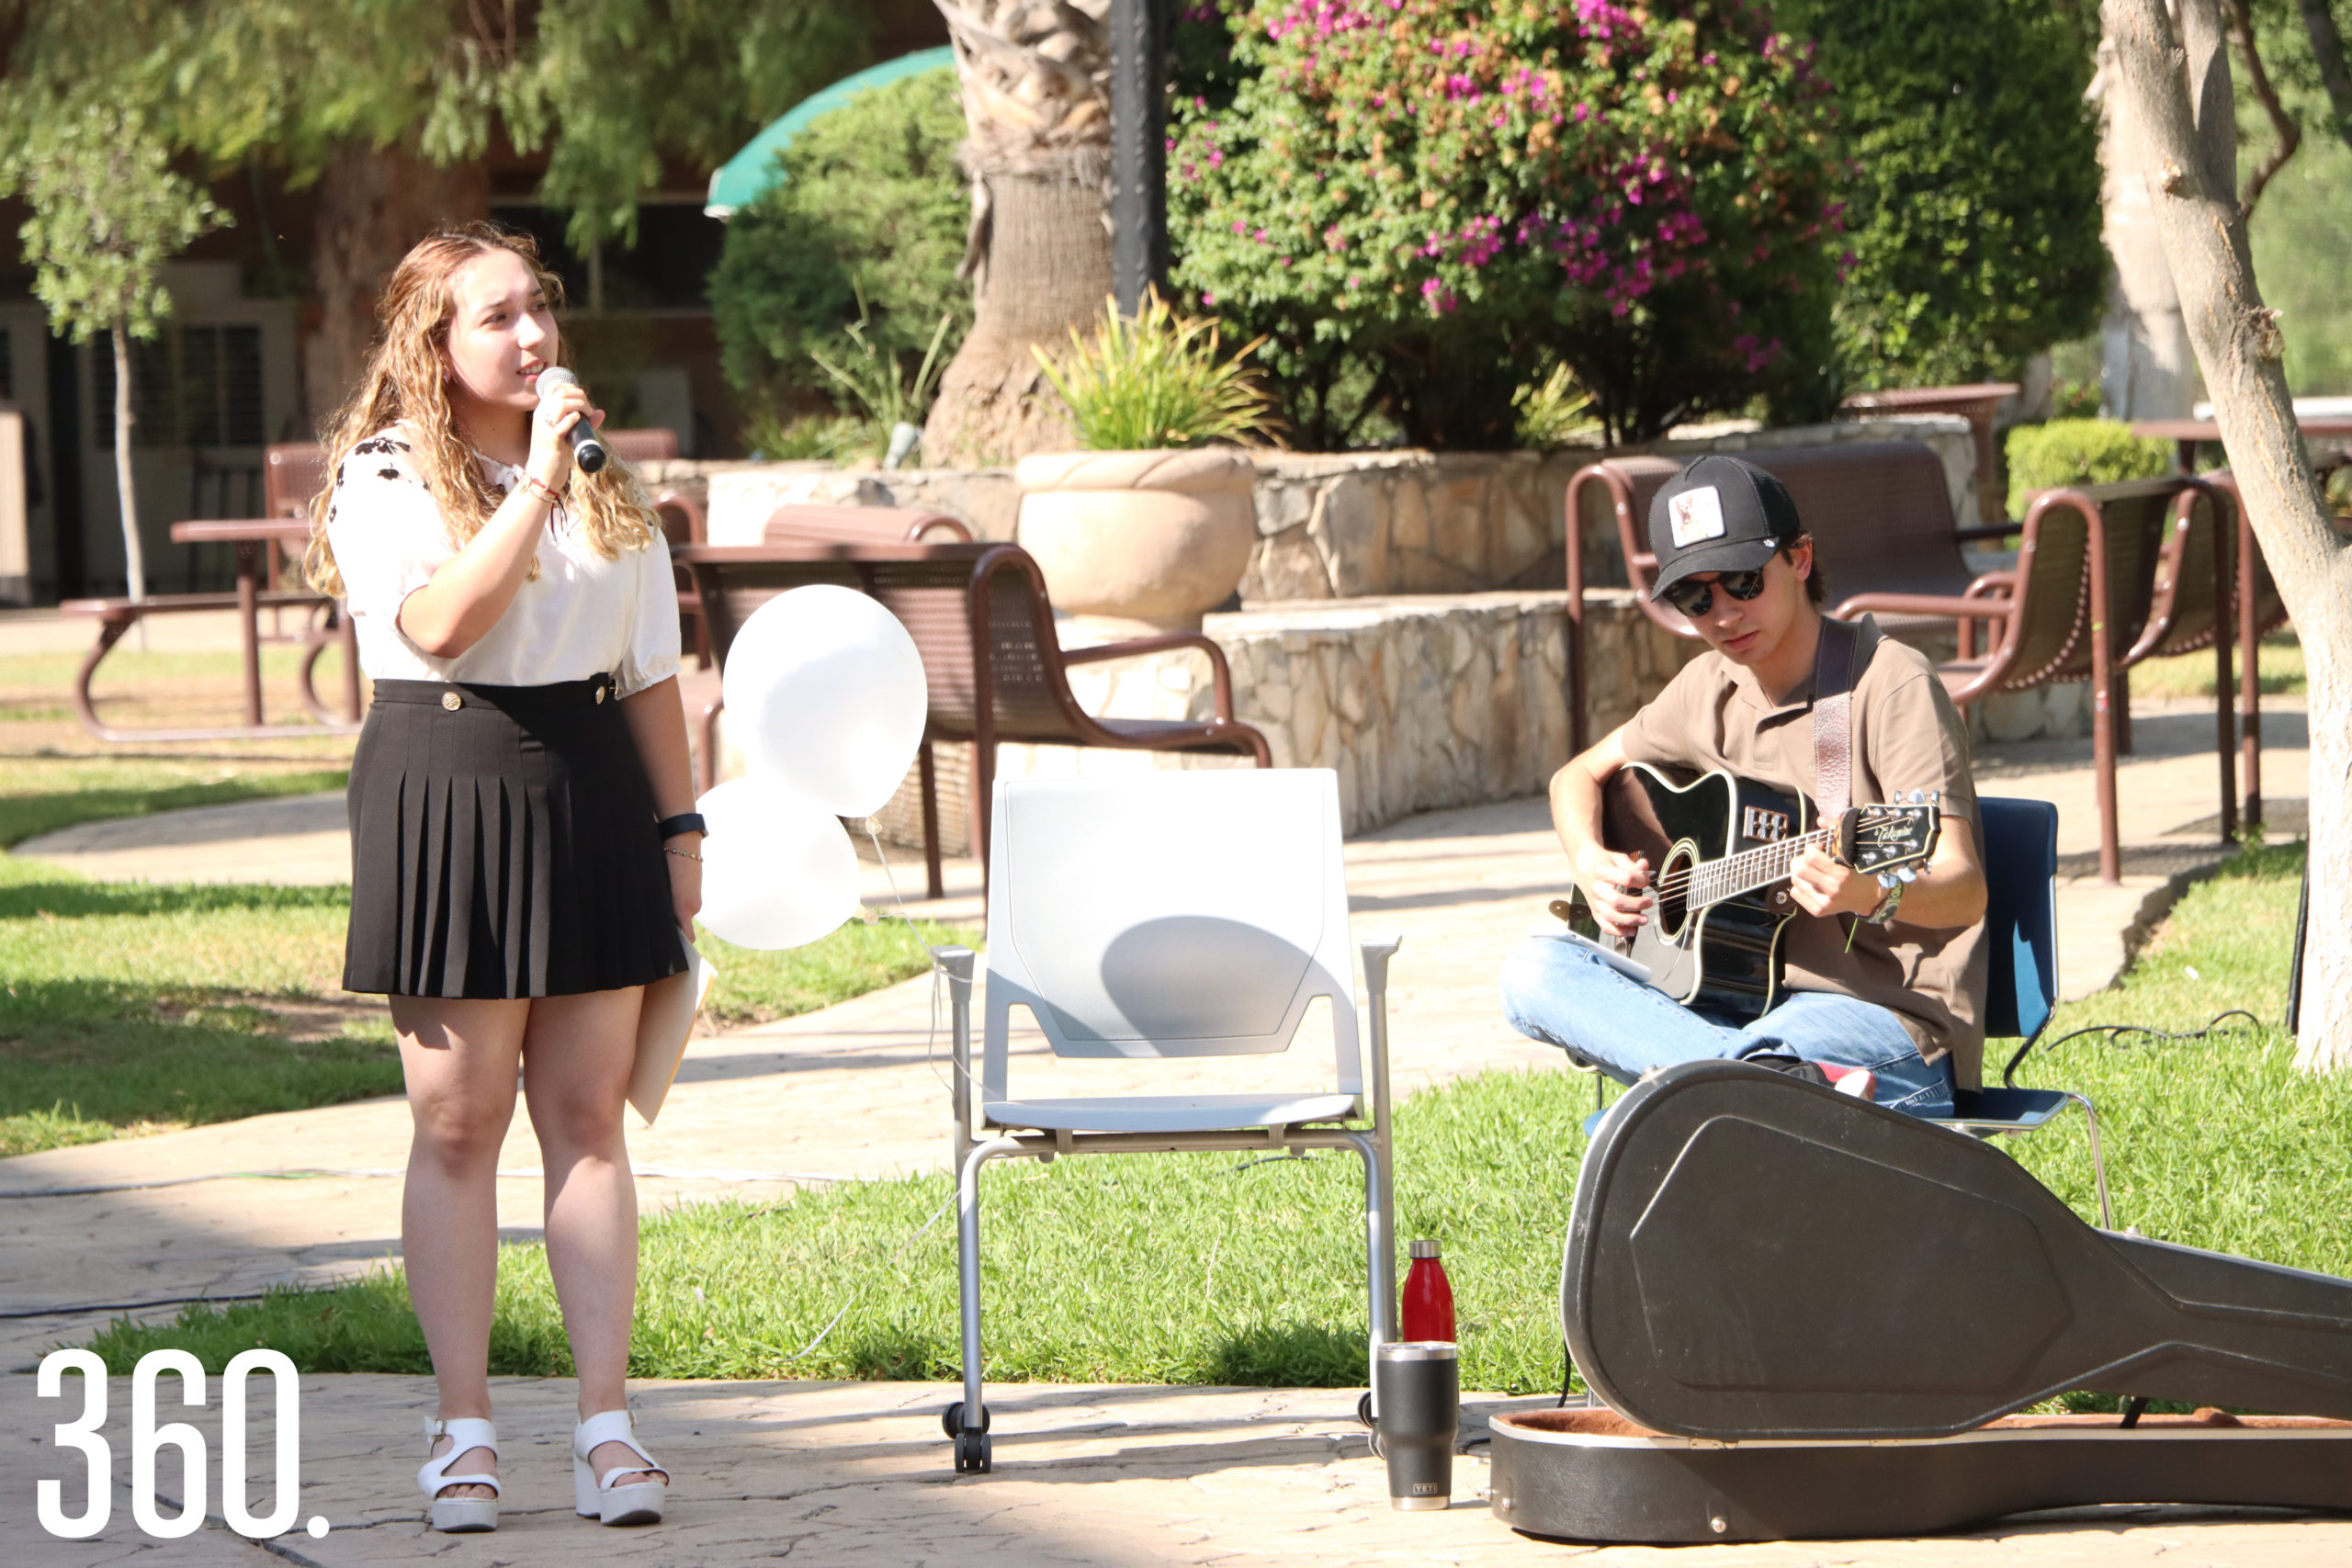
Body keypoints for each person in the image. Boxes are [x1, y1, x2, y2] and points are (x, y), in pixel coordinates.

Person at [307, 224, 695, 1533]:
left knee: (586, 1115)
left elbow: (647, 669)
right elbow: (436, 623)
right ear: (437, 345)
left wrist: (681, 832)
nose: (533, 337)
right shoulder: (387, 475)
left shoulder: (603, 477)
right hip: (448, 777)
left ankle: (607, 1424)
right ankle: (463, 1427)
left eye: (539, 310)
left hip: (590, 786)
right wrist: (531, 487)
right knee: (459, 1120)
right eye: (498, 318)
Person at [1500, 455, 1988, 1116]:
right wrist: (1592, 863)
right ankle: (1754, 1098)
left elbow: (1963, 888)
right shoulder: (1708, 687)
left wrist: (1868, 891)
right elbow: (1577, 774)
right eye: (1695, 597)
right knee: (1534, 973)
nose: (1724, 613)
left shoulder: (1889, 683)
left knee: (1764, 1061)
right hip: (1735, 1014)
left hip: (1886, 1024)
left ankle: (1702, 1105)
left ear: (1801, 559)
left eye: (1741, 581)